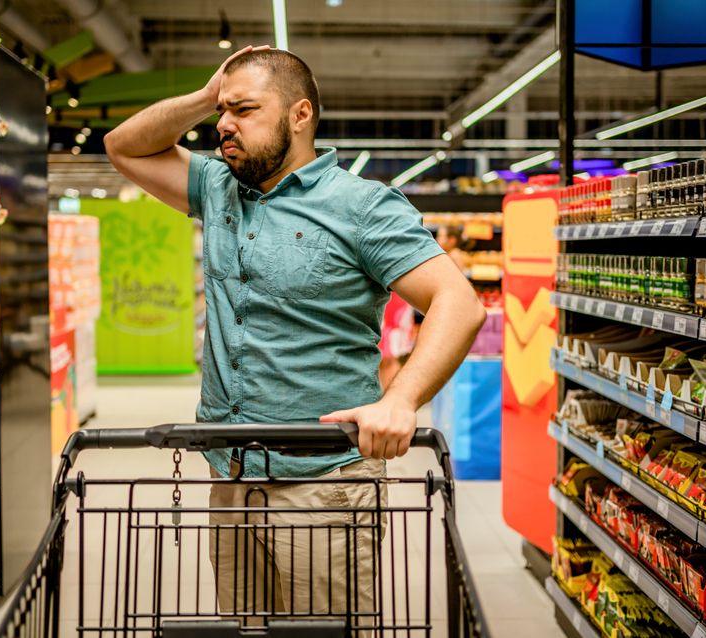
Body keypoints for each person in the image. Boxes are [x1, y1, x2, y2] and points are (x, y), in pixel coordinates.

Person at [105, 45, 485, 629]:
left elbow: (458, 302)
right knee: (244, 628)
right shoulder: (218, 187)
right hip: (232, 475)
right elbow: (122, 145)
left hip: (323, 482)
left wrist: (400, 401)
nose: (225, 126)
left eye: (245, 110)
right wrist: (209, 95)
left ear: (299, 115)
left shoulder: (361, 207)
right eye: (221, 113)